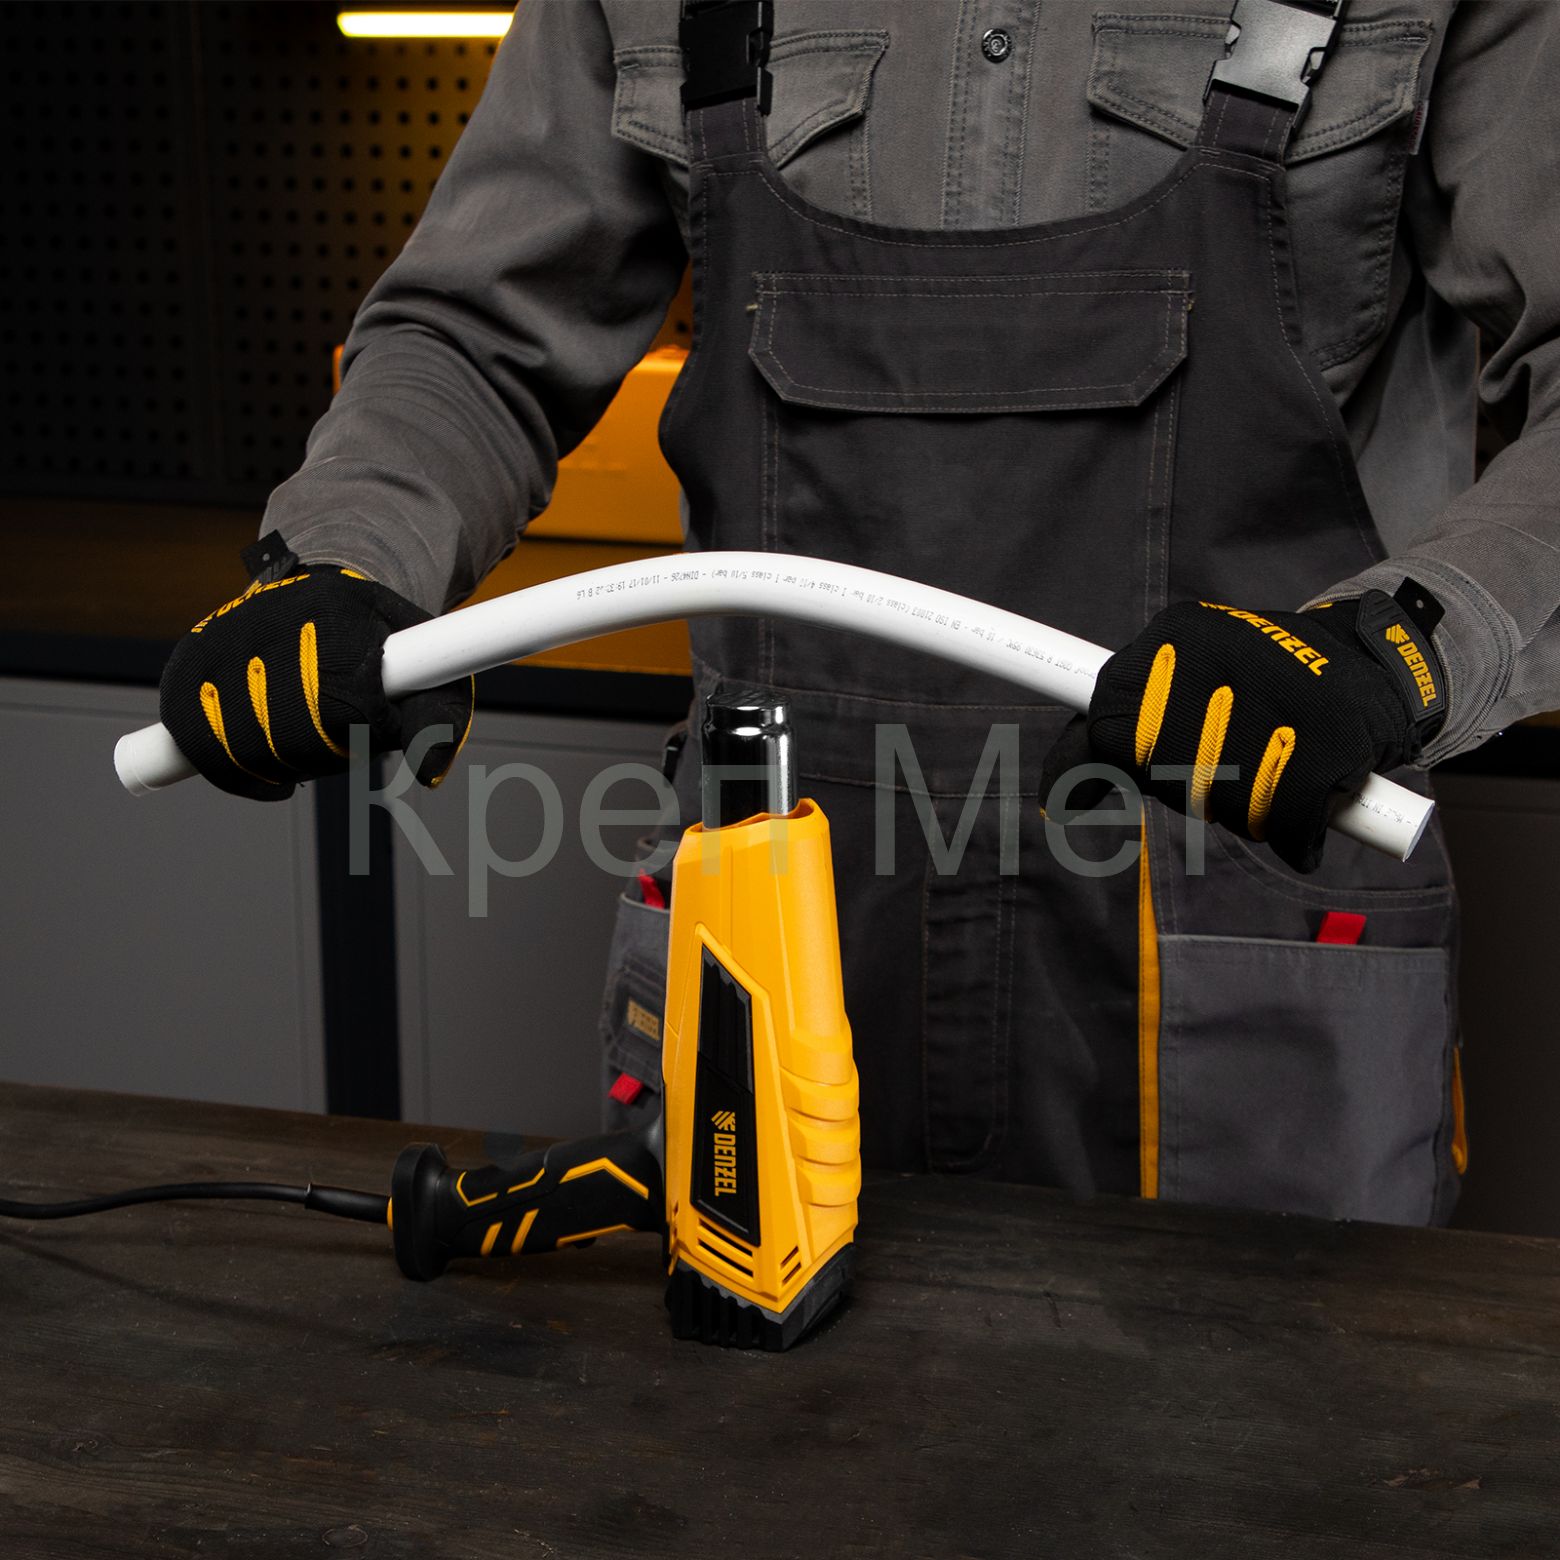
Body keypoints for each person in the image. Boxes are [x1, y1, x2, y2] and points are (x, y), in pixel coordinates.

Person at [158, 0, 1560, 1225]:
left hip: (1246, 918)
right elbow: (475, 338)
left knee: (1264, 1437)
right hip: (781, 919)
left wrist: (1389, 652)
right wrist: (342, 561)